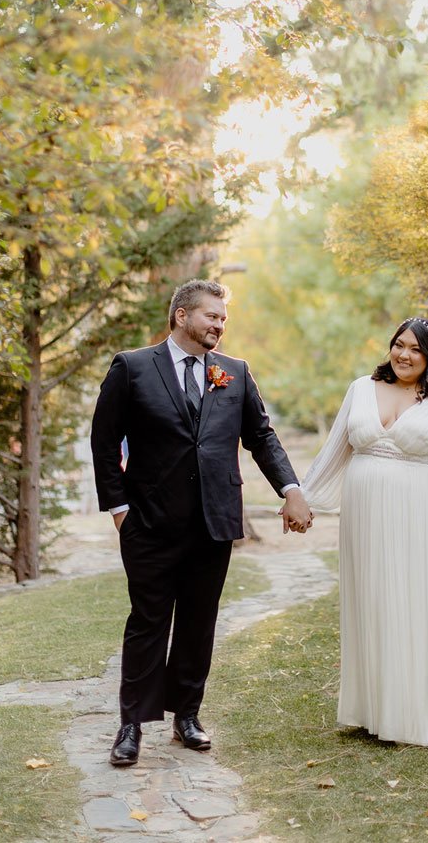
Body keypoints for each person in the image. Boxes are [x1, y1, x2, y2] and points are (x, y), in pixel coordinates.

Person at [91, 279, 313, 767]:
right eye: (211, 315)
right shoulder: (132, 367)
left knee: (198, 622)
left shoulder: (234, 372)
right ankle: (131, 725)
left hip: (214, 522)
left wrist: (291, 489)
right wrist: (120, 510)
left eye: (223, 317)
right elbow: (104, 443)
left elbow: (262, 437)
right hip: (148, 523)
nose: (219, 324)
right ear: (181, 316)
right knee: (148, 621)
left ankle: (187, 716)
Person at [301, 316, 428, 747]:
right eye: (399, 344)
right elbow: (334, 451)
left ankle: (415, 716)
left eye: (416, 349)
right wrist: (303, 499)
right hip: (364, 518)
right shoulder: (361, 388)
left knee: (415, 605)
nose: (404, 355)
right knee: (372, 604)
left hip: (422, 516)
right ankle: (372, 711)